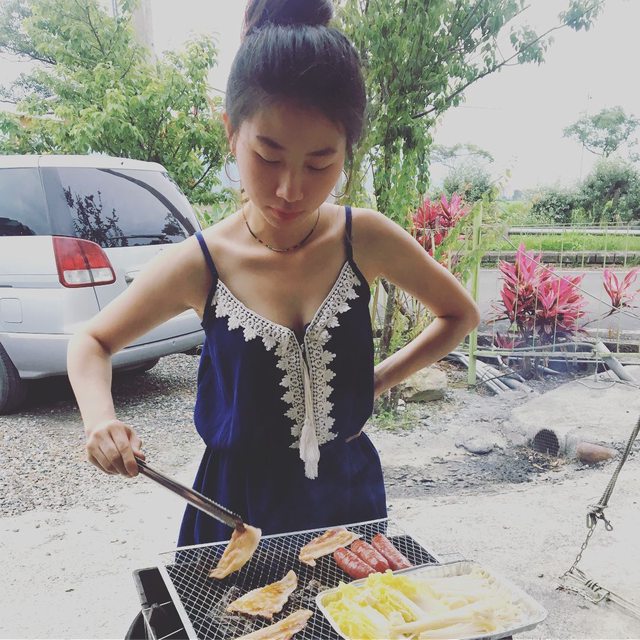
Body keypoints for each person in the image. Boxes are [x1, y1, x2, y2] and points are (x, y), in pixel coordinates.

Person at [67, 0, 480, 547]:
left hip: (349, 499)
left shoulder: (365, 238)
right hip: (235, 513)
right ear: (231, 132)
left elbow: (459, 314)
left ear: (347, 151)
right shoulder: (203, 262)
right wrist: (101, 421)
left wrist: (376, 381)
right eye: (268, 156)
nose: (291, 190)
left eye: (320, 163)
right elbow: (92, 342)